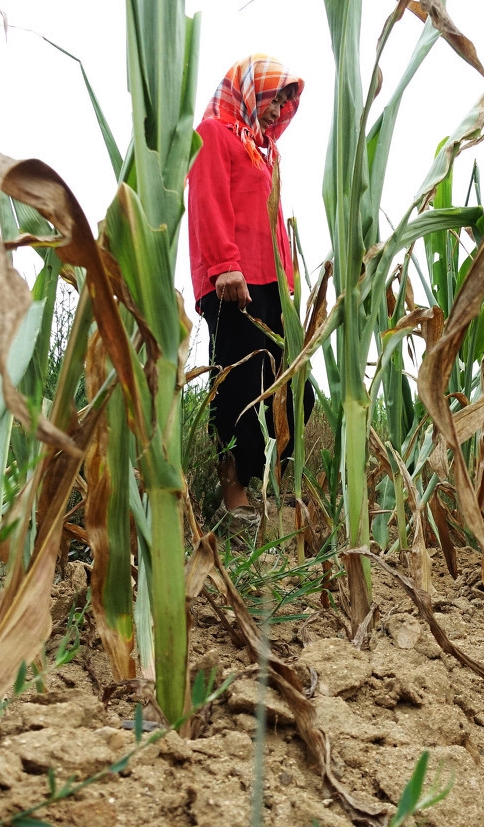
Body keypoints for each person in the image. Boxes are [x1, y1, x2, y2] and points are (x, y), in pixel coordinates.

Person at [188, 55, 314, 522]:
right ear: (248, 92)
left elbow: (275, 221)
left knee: (292, 391)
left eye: (285, 102)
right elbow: (208, 198)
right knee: (236, 385)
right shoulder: (213, 134)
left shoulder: (266, 151)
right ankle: (233, 494)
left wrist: (290, 284)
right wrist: (224, 265)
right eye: (271, 98)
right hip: (233, 280)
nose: (277, 110)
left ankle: (272, 487)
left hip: (272, 284)